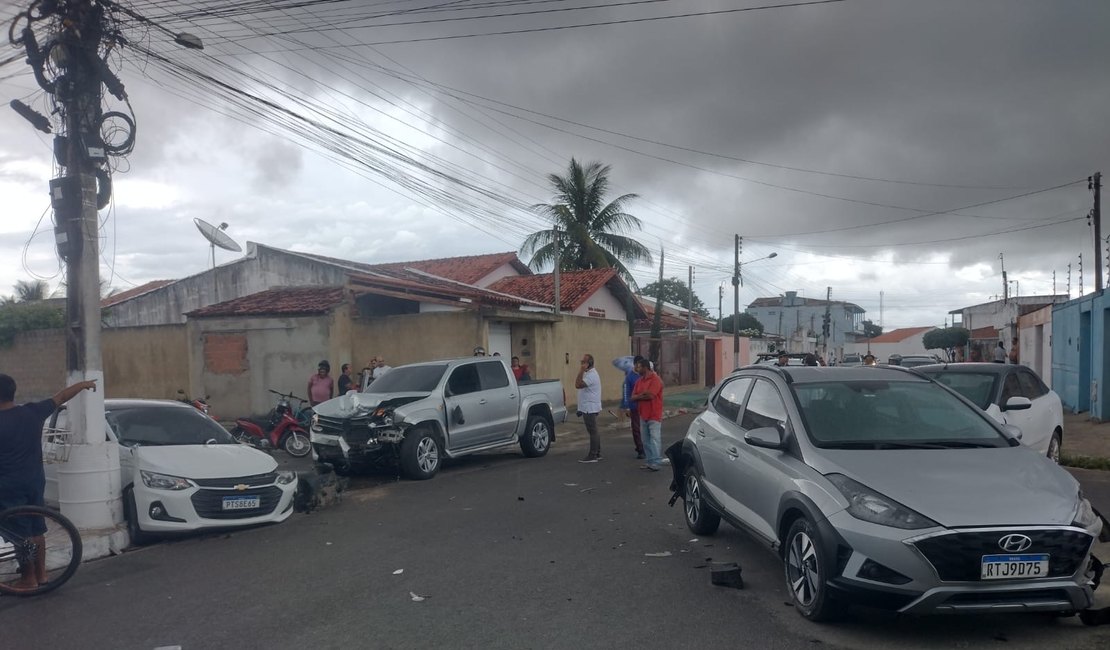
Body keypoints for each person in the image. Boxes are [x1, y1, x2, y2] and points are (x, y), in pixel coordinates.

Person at [0, 374, 97, 591]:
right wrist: (82, 385)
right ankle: (42, 574)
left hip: (7, 487)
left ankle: (28, 578)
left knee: (19, 533)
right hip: (34, 481)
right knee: (36, 529)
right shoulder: (31, 412)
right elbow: (61, 396)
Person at [632, 356, 665, 471]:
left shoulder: (656, 380)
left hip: (654, 414)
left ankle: (656, 462)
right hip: (643, 414)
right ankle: (649, 461)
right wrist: (643, 395)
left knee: (655, 439)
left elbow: (651, 396)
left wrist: (640, 396)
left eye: (639, 367)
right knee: (645, 440)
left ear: (645, 368)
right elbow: (633, 397)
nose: (637, 368)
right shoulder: (639, 381)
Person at [575, 353, 603, 463]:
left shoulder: (591, 375)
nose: (581, 364)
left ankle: (593, 455)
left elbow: (577, 384)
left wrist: (581, 370)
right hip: (587, 406)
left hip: (590, 407)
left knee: (592, 431)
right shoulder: (589, 374)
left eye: (583, 362)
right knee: (594, 430)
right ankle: (598, 452)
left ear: (589, 363)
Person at [618, 355, 646, 459]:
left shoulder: (644, 375)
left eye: (642, 366)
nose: (640, 368)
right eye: (638, 366)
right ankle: (640, 449)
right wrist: (627, 407)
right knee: (636, 428)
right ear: (634, 365)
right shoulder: (629, 377)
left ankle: (646, 447)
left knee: (646, 428)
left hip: (645, 406)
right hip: (634, 406)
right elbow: (626, 393)